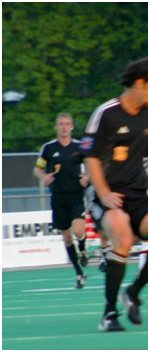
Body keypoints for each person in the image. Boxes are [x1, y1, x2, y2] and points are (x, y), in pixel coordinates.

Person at [80, 57, 148, 332]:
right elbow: (91, 156)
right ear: (139, 83)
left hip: (137, 194)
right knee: (122, 238)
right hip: (106, 195)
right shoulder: (106, 113)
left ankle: (133, 292)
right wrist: (103, 192)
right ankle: (109, 314)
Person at [33, 113, 89, 289]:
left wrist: (87, 177)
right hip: (58, 198)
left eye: (67, 124)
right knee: (66, 239)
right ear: (56, 127)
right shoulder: (48, 148)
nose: (64, 127)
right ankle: (79, 273)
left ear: (72, 127)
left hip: (76, 195)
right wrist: (44, 176)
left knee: (78, 230)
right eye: (61, 124)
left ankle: (83, 245)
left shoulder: (80, 146)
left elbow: (93, 164)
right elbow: (37, 168)